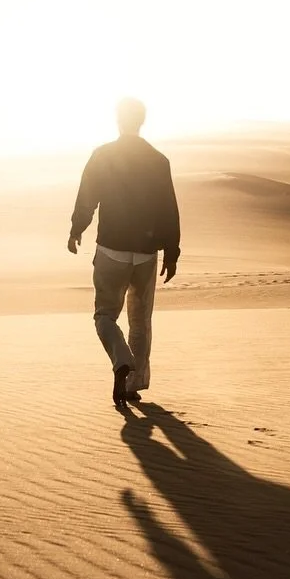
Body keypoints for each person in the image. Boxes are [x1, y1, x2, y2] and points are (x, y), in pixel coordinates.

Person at [68, 97, 181, 408]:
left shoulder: (103, 155)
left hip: (111, 251)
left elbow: (87, 198)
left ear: (118, 120)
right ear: (141, 121)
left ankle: (121, 359)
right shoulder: (158, 160)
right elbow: (169, 210)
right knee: (141, 321)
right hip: (145, 254)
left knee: (105, 315)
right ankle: (132, 384)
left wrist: (76, 230)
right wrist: (172, 251)